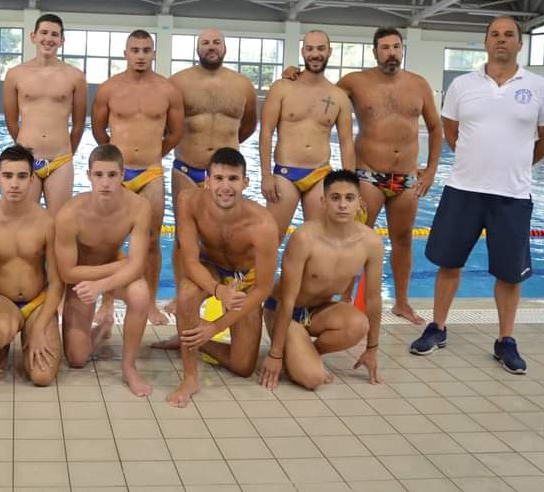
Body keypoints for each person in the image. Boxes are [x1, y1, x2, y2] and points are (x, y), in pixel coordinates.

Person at [410, 16, 544, 375]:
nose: (501, 40)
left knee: (509, 274)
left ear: (520, 44)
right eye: (495, 34)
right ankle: (438, 326)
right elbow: (450, 130)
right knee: (449, 263)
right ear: (485, 42)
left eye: (509, 35)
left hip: (512, 194)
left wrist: (519, 163)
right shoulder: (462, 85)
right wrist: (475, 159)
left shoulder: (539, 87)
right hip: (463, 189)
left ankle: (505, 340)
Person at [280, 27, 442, 324]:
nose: (391, 53)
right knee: (351, 239)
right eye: (385, 47)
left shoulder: (419, 85)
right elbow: (320, 91)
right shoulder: (355, 82)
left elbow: (435, 128)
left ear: (402, 49)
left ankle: (402, 303)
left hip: (406, 177)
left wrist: (431, 170)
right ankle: (342, 301)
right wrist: (295, 73)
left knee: (403, 239)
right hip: (368, 176)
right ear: (374, 51)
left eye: (396, 47)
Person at [154, 148, 279, 408]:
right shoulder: (189, 201)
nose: (225, 187)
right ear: (207, 181)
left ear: (245, 182)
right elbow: (190, 261)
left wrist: (215, 327)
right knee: (187, 295)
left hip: (245, 279)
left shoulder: (262, 224)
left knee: (243, 366)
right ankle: (190, 378)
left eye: (233, 179)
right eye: (219, 178)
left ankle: (187, 337)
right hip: (209, 266)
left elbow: (263, 288)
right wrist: (218, 290)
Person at [259, 170, 384, 391]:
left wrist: (372, 349)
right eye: (335, 198)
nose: (342, 205)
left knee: (358, 324)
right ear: (323, 202)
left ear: (359, 203)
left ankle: (304, 353)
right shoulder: (305, 238)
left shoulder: (371, 243)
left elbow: (373, 299)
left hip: (318, 312)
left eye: (349, 198)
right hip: (284, 311)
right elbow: (287, 299)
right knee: (313, 379)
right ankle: (295, 353)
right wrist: (275, 354)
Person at [92, 30, 183, 325]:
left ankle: (151, 303)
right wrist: (114, 160)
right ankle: (107, 301)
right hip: (118, 173)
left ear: (153, 53)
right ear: (126, 53)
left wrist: (155, 154)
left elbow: (176, 133)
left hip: (151, 172)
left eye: (146, 50)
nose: (141, 55)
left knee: (153, 239)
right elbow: (98, 130)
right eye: (135, 50)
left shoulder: (167, 90)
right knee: (110, 239)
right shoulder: (109, 88)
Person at [0, 146, 63, 387]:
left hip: (37, 302)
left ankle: (31, 330)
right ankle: (2, 346)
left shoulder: (46, 222)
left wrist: (40, 327)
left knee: (42, 378)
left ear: (32, 179)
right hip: (0, 300)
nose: (14, 184)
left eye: (22, 176)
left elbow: (57, 283)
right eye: (7, 176)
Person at [55, 144, 154, 397]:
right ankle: (102, 328)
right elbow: (67, 273)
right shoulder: (70, 213)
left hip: (105, 277)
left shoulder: (139, 207)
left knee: (140, 293)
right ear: (88, 175)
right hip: (81, 278)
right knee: (77, 358)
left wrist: (101, 286)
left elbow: (138, 266)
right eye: (99, 175)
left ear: (123, 175)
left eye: (112, 175)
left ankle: (129, 367)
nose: (105, 183)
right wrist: (122, 266)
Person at [259, 29, 354, 241]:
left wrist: (349, 186)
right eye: (310, 49)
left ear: (329, 51)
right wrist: (266, 175)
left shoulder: (338, 96)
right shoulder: (282, 88)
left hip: (320, 174)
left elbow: (346, 142)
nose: (315, 54)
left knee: (319, 242)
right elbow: (266, 132)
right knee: (271, 239)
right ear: (303, 52)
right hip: (285, 173)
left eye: (320, 49)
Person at [2, 14, 87, 214]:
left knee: (59, 223)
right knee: (24, 221)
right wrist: (24, 149)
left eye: (54, 35)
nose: (48, 39)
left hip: (60, 161)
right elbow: (11, 122)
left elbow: (78, 125)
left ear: (62, 40)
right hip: (26, 160)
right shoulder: (15, 74)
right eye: (44, 33)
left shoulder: (75, 76)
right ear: (33, 36)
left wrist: (67, 153)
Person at [167, 29, 258, 207]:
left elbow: (249, 126)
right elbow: (165, 127)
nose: (211, 47)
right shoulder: (177, 82)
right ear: (197, 49)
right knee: (185, 224)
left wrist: (225, 143)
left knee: (224, 225)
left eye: (216, 42)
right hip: (186, 170)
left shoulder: (243, 85)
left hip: (227, 172)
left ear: (225, 48)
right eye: (205, 43)